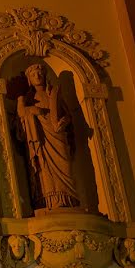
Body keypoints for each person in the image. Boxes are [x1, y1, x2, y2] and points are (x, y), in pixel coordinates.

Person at [15, 62, 80, 211]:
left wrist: (64, 121)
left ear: (45, 76)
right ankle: (50, 201)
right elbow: (21, 116)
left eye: (40, 73)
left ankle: (68, 199)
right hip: (41, 140)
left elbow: (66, 114)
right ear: (29, 79)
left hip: (58, 136)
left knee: (66, 166)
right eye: (33, 75)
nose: (37, 76)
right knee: (44, 169)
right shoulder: (30, 97)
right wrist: (31, 108)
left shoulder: (53, 94)